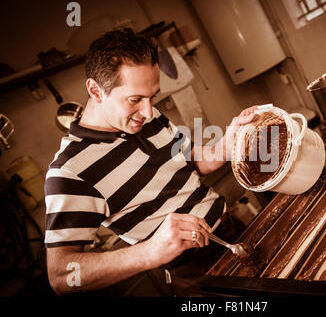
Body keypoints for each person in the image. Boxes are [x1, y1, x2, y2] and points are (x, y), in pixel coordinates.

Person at [44, 28, 256, 296]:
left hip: (234, 231)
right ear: (95, 90)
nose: (147, 111)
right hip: (197, 273)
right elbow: (61, 276)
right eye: (135, 99)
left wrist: (229, 141)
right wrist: (150, 251)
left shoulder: (149, 116)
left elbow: (195, 161)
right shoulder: (70, 171)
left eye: (152, 96)